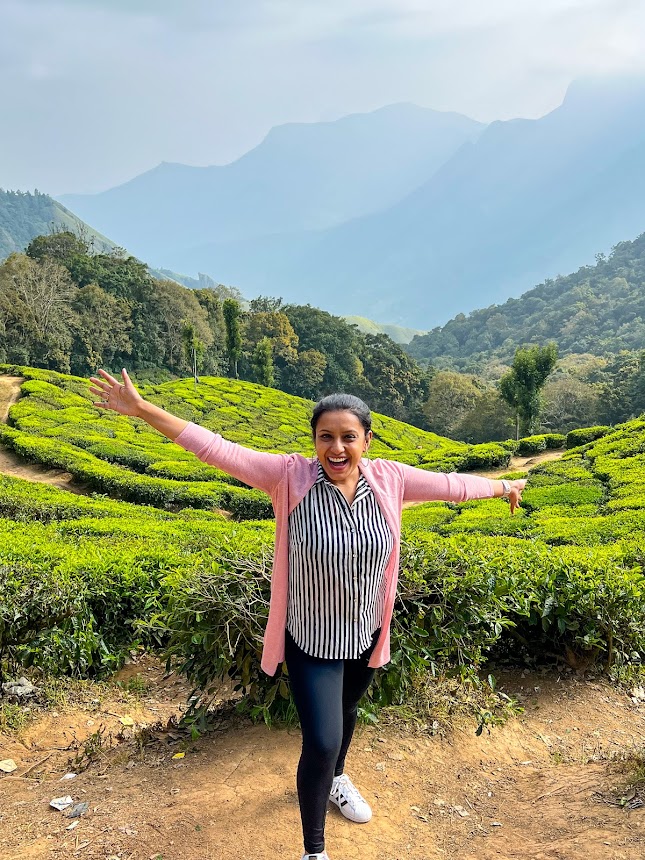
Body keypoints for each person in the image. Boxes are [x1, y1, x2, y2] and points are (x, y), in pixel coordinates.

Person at [89, 368, 526, 860]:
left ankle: (338, 780)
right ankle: (314, 851)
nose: (336, 448)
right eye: (326, 437)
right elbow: (215, 448)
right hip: (310, 640)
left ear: (367, 439)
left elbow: (452, 486)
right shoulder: (289, 477)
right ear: (314, 441)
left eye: (348, 437)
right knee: (320, 740)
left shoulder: (390, 480)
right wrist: (143, 410)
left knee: (347, 713)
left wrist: (504, 484)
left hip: (365, 635)